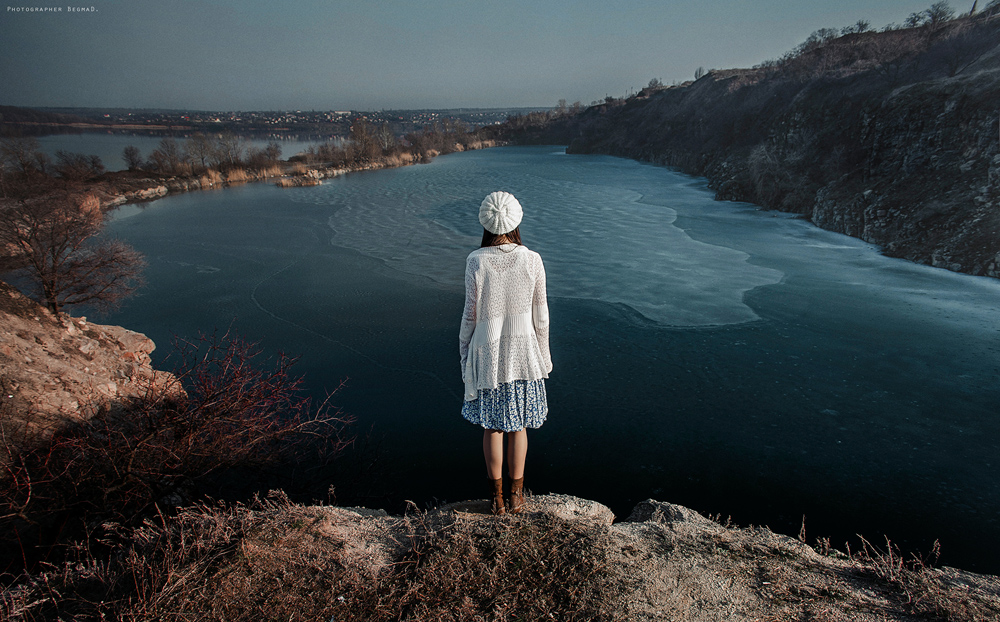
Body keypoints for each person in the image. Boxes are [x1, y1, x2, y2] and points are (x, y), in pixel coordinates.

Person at [460, 191, 552, 515]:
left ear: (486, 221)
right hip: (523, 354)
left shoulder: (475, 261)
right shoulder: (533, 259)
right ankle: (517, 495)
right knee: (519, 426)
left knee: (492, 427)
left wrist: (463, 354)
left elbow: (470, 315)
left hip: (487, 355)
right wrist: (544, 357)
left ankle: (495, 498)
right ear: (516, 220)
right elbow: (541, 316)